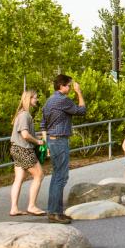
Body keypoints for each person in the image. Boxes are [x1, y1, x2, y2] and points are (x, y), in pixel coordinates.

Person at [42, 73, 86, 224]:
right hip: (60, 140)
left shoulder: (49, 100)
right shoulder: (62, 100)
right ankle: (54, 212)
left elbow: (43, 122)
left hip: (52, 139)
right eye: (68, 85)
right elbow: (81, 111)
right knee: (61, 177)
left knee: (56, 176)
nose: (70, 87)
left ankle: (56, 211)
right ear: (61, 86)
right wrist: (79, 92)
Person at [9, 90, 46, 217]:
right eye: (35, 98)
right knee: (39, 175)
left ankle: (14, 208)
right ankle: (32, 206)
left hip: (15, 148)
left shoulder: (20, 114)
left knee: (18, 179)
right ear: (29, 99)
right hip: (24, 149)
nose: (36, 100)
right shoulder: (25, 115)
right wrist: (38, 142)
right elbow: (25, 135)